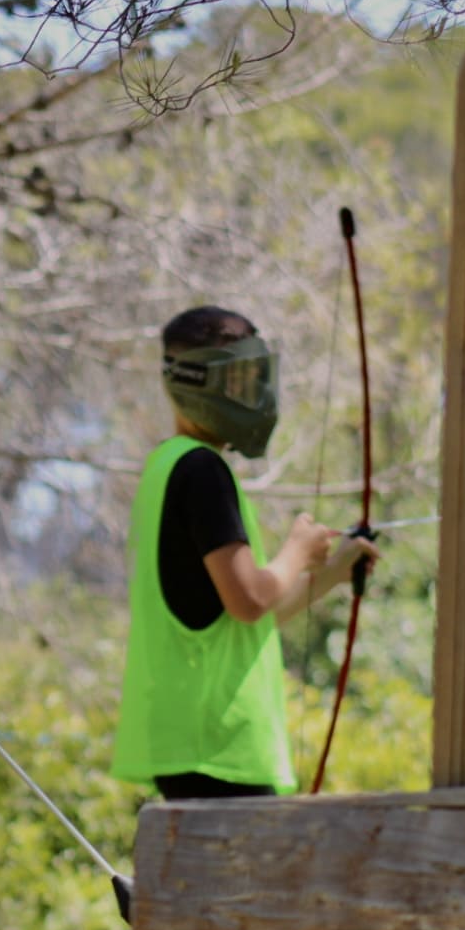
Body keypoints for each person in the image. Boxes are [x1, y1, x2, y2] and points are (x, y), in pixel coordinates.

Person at [110, 305, 377, 801]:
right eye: (237, 380)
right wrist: (298, 550)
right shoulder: (202, 471)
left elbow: (246, 622)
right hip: (218, 748)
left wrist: (335, 571)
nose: (253, 395)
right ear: (194, 381)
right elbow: (250, 599)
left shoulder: (167, 467)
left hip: (199, 747)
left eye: (255, 378)